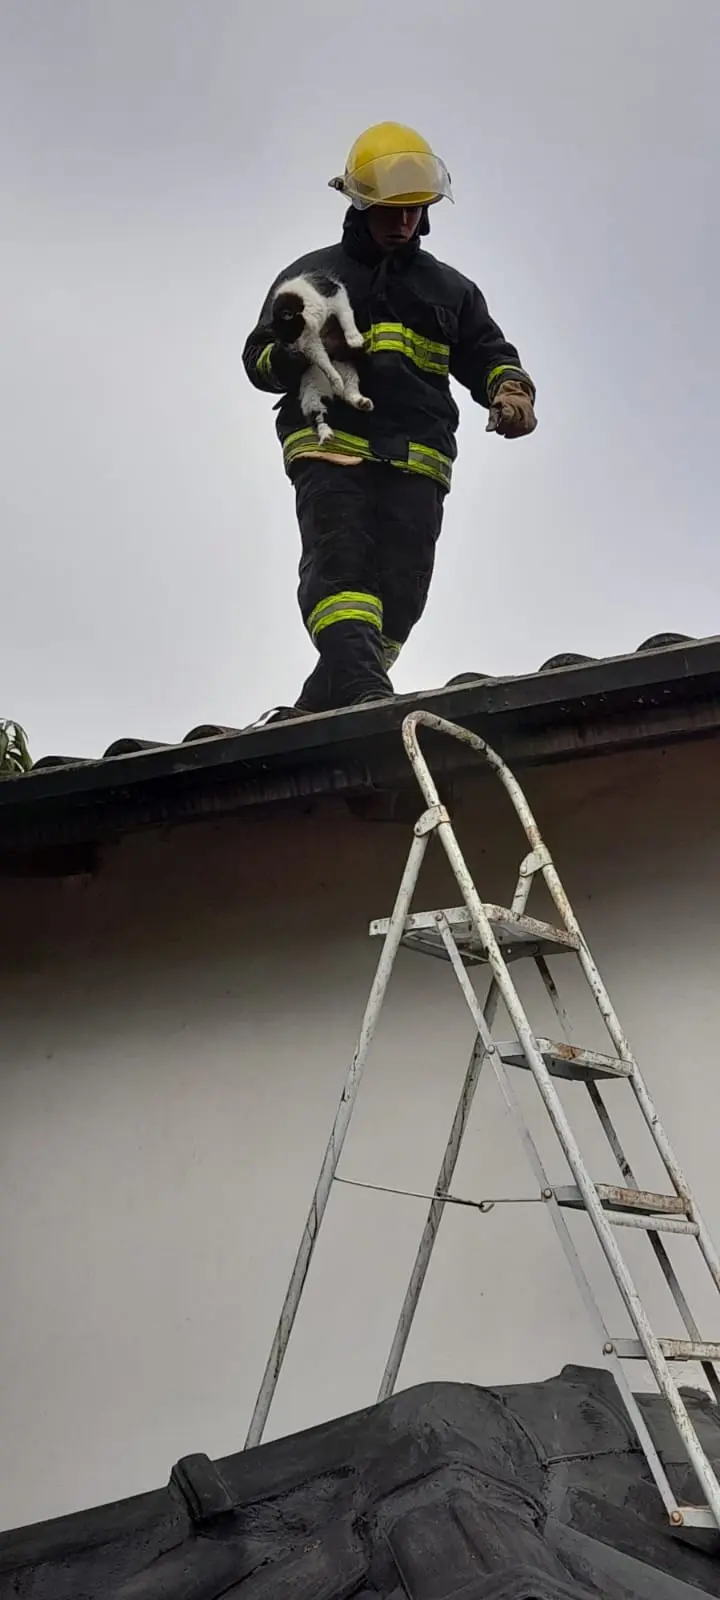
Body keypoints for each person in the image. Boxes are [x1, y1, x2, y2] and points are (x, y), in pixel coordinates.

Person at [243, 122, 536, 719]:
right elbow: (257, 360)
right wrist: (295, 350)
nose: (403, 222)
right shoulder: (309, 278)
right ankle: (367, 697)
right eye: (390, 210)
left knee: (399, 597)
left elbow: (488, 352)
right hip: (330, 444)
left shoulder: (451, 290)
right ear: (359, 203)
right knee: (341, 570)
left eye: (414, 210)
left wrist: (510, 390)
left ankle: (325, 704)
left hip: (418, 458)